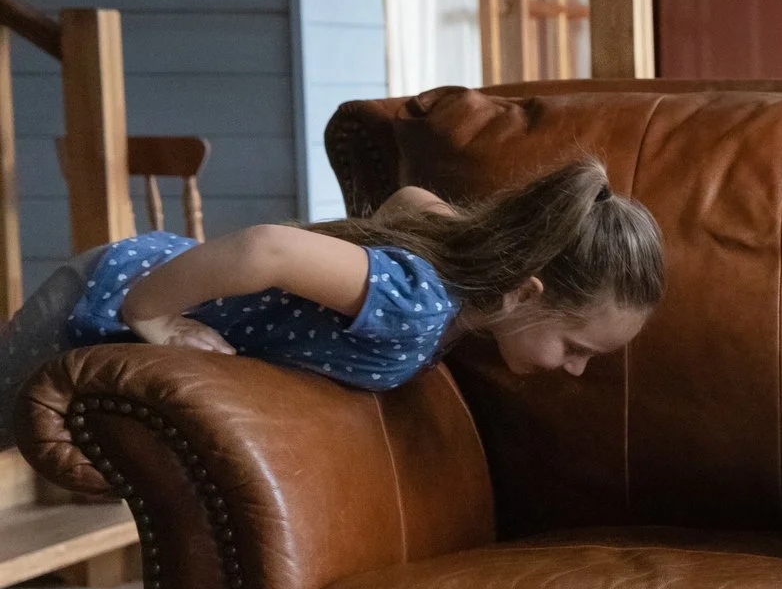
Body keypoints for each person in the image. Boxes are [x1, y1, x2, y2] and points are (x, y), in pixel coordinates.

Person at [0, 157, 664, 445]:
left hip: (119, 280)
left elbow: (412, 204)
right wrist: (151, 312)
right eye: (576, 347)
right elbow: (267, 248)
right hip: (104, 293)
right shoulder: (416, 306)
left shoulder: (458, 274)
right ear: (525, 291)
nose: (575, 368)